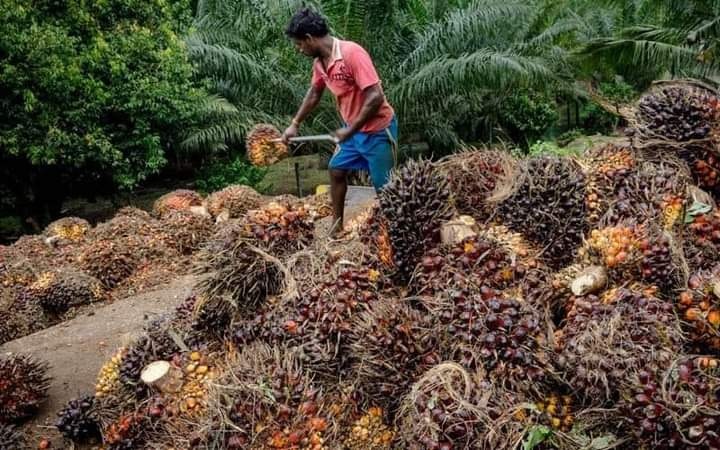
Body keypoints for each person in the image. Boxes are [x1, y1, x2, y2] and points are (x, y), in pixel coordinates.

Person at [281, 8, 398, 236]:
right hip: (352, 132)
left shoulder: (352, 53)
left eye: (299, 44)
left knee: (385, 188)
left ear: (309, 38)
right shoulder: (320, 63)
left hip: (377, 131)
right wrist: (295, 123)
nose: (299, 49)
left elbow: (376, 96)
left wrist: (350, 129)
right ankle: (337, 226)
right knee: (336, 170)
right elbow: (314, 93)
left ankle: (393, 234)